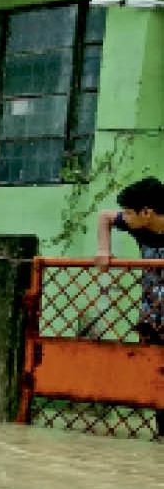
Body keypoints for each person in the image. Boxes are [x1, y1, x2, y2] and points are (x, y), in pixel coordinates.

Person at [97, 175, 164, 436]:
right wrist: (104, 249)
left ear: (147, 212)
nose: (125, 216)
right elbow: (105, 217)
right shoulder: (137, 225)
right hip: (153, 312)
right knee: (156, 371)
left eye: (128, 211)